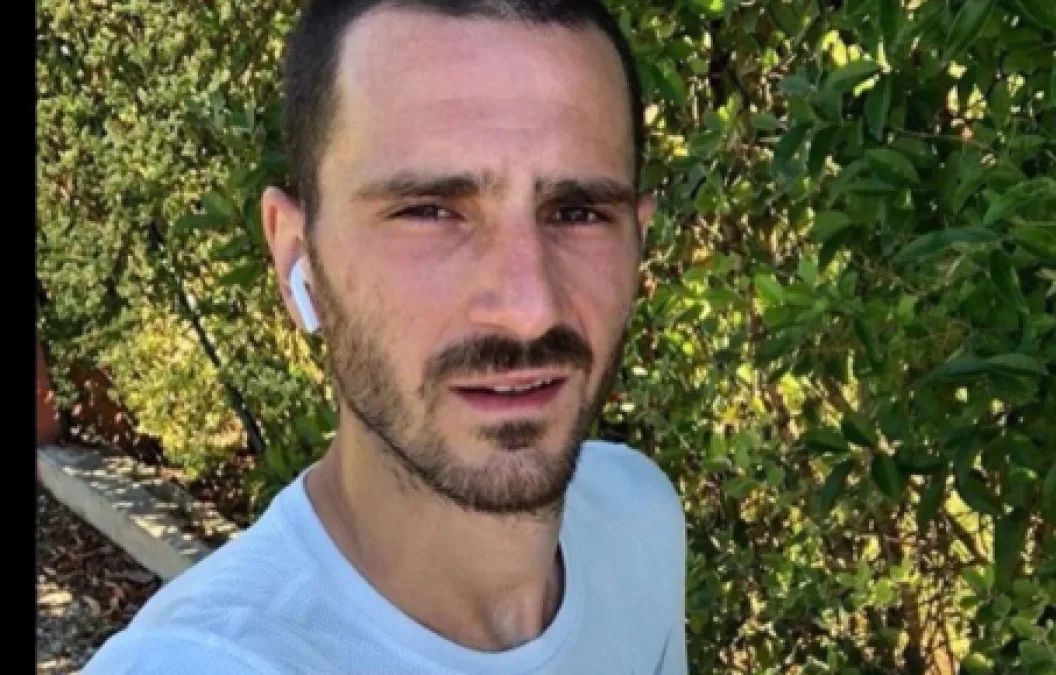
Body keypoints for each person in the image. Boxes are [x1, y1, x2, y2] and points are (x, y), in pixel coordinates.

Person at [83, 1, 687, 673]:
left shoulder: (638, 516)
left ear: (638, 243)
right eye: (430, 211)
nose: (529, 309)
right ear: (297, 256)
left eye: (578, 213)